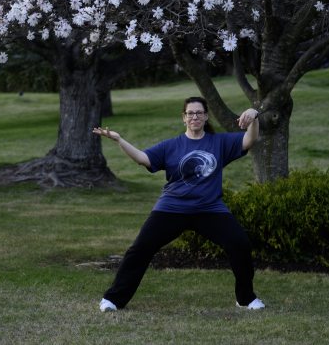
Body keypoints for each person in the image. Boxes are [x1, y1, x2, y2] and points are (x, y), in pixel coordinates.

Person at [92, 96, 264, 312]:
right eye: (190, 113)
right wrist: (119, 140)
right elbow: (143, 159)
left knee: (240, 244)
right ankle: (114, 299)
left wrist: (254, 116)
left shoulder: (219, 142)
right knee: (140, 249)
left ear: (206, 116)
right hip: (172, 208)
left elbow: (249, 140)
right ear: (184, 118)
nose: (195, 116)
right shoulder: (171, 146)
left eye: (199, 113)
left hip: (209, 209)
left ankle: (246, 298)